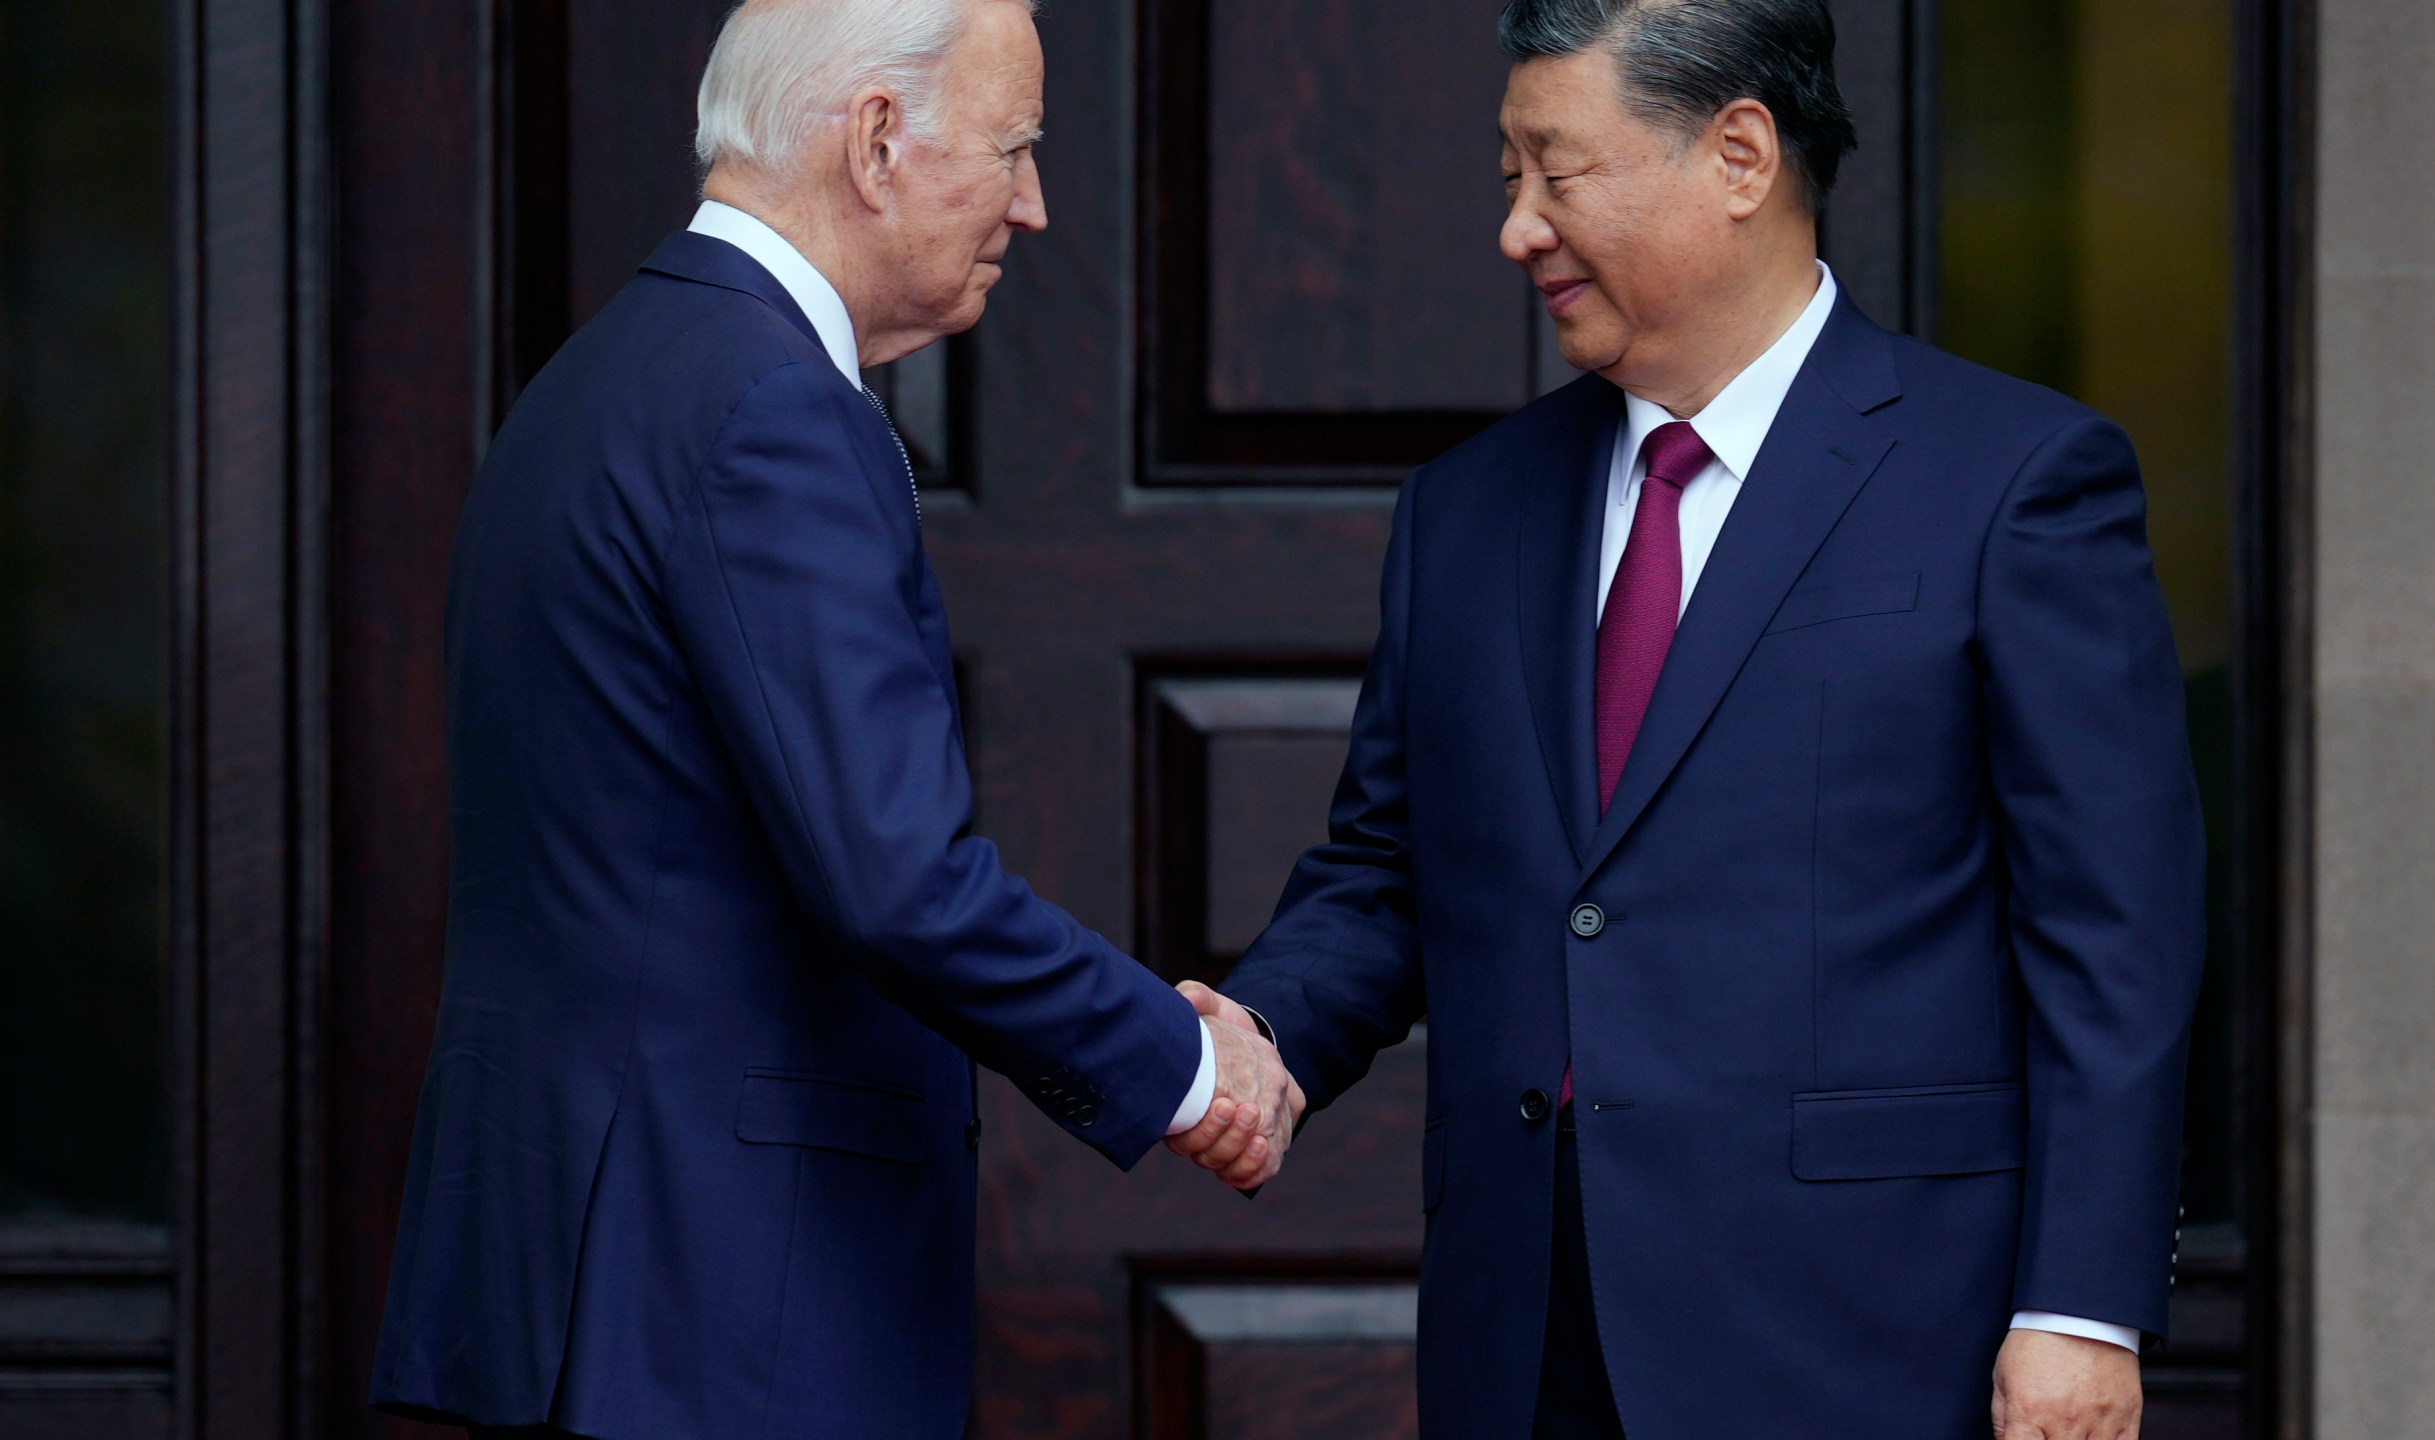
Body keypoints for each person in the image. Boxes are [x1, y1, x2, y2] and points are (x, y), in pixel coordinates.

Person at [1189, 1, 2204, 1436]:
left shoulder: (2013, 481)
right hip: (1529, 1334)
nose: (1519, 230)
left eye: (1557, 172)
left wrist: (2082, 1307)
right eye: (1507, 181)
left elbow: (2115, 933)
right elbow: (1389, 871)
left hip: (1875, 1331)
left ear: (1738, 155)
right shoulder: (1468, 508)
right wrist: (1259, 1041)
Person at [368, 2, 1298, 1436]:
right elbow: (898, 879)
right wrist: (1182, 1070)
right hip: (715, 1305)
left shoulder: (601, 379)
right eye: (1015, 148)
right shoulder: (768, 410)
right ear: (875, 140)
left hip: (579, 1283)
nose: (1034, 205)